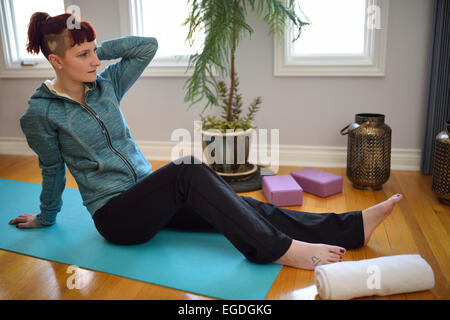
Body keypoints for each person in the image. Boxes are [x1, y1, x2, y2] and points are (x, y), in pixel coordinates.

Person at [9, 12, 403, 271]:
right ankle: (280, 250)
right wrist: (46, 217)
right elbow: (52, 170)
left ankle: (353, 228)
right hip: (116, 218)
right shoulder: (41, 114)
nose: (96, 61)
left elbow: (147, 46)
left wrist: (91, 45)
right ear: (55, 61)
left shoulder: (105, 85)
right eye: (83, 55)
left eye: (95, 52)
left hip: (148, 196)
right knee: (189, 170)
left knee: (240, 206)